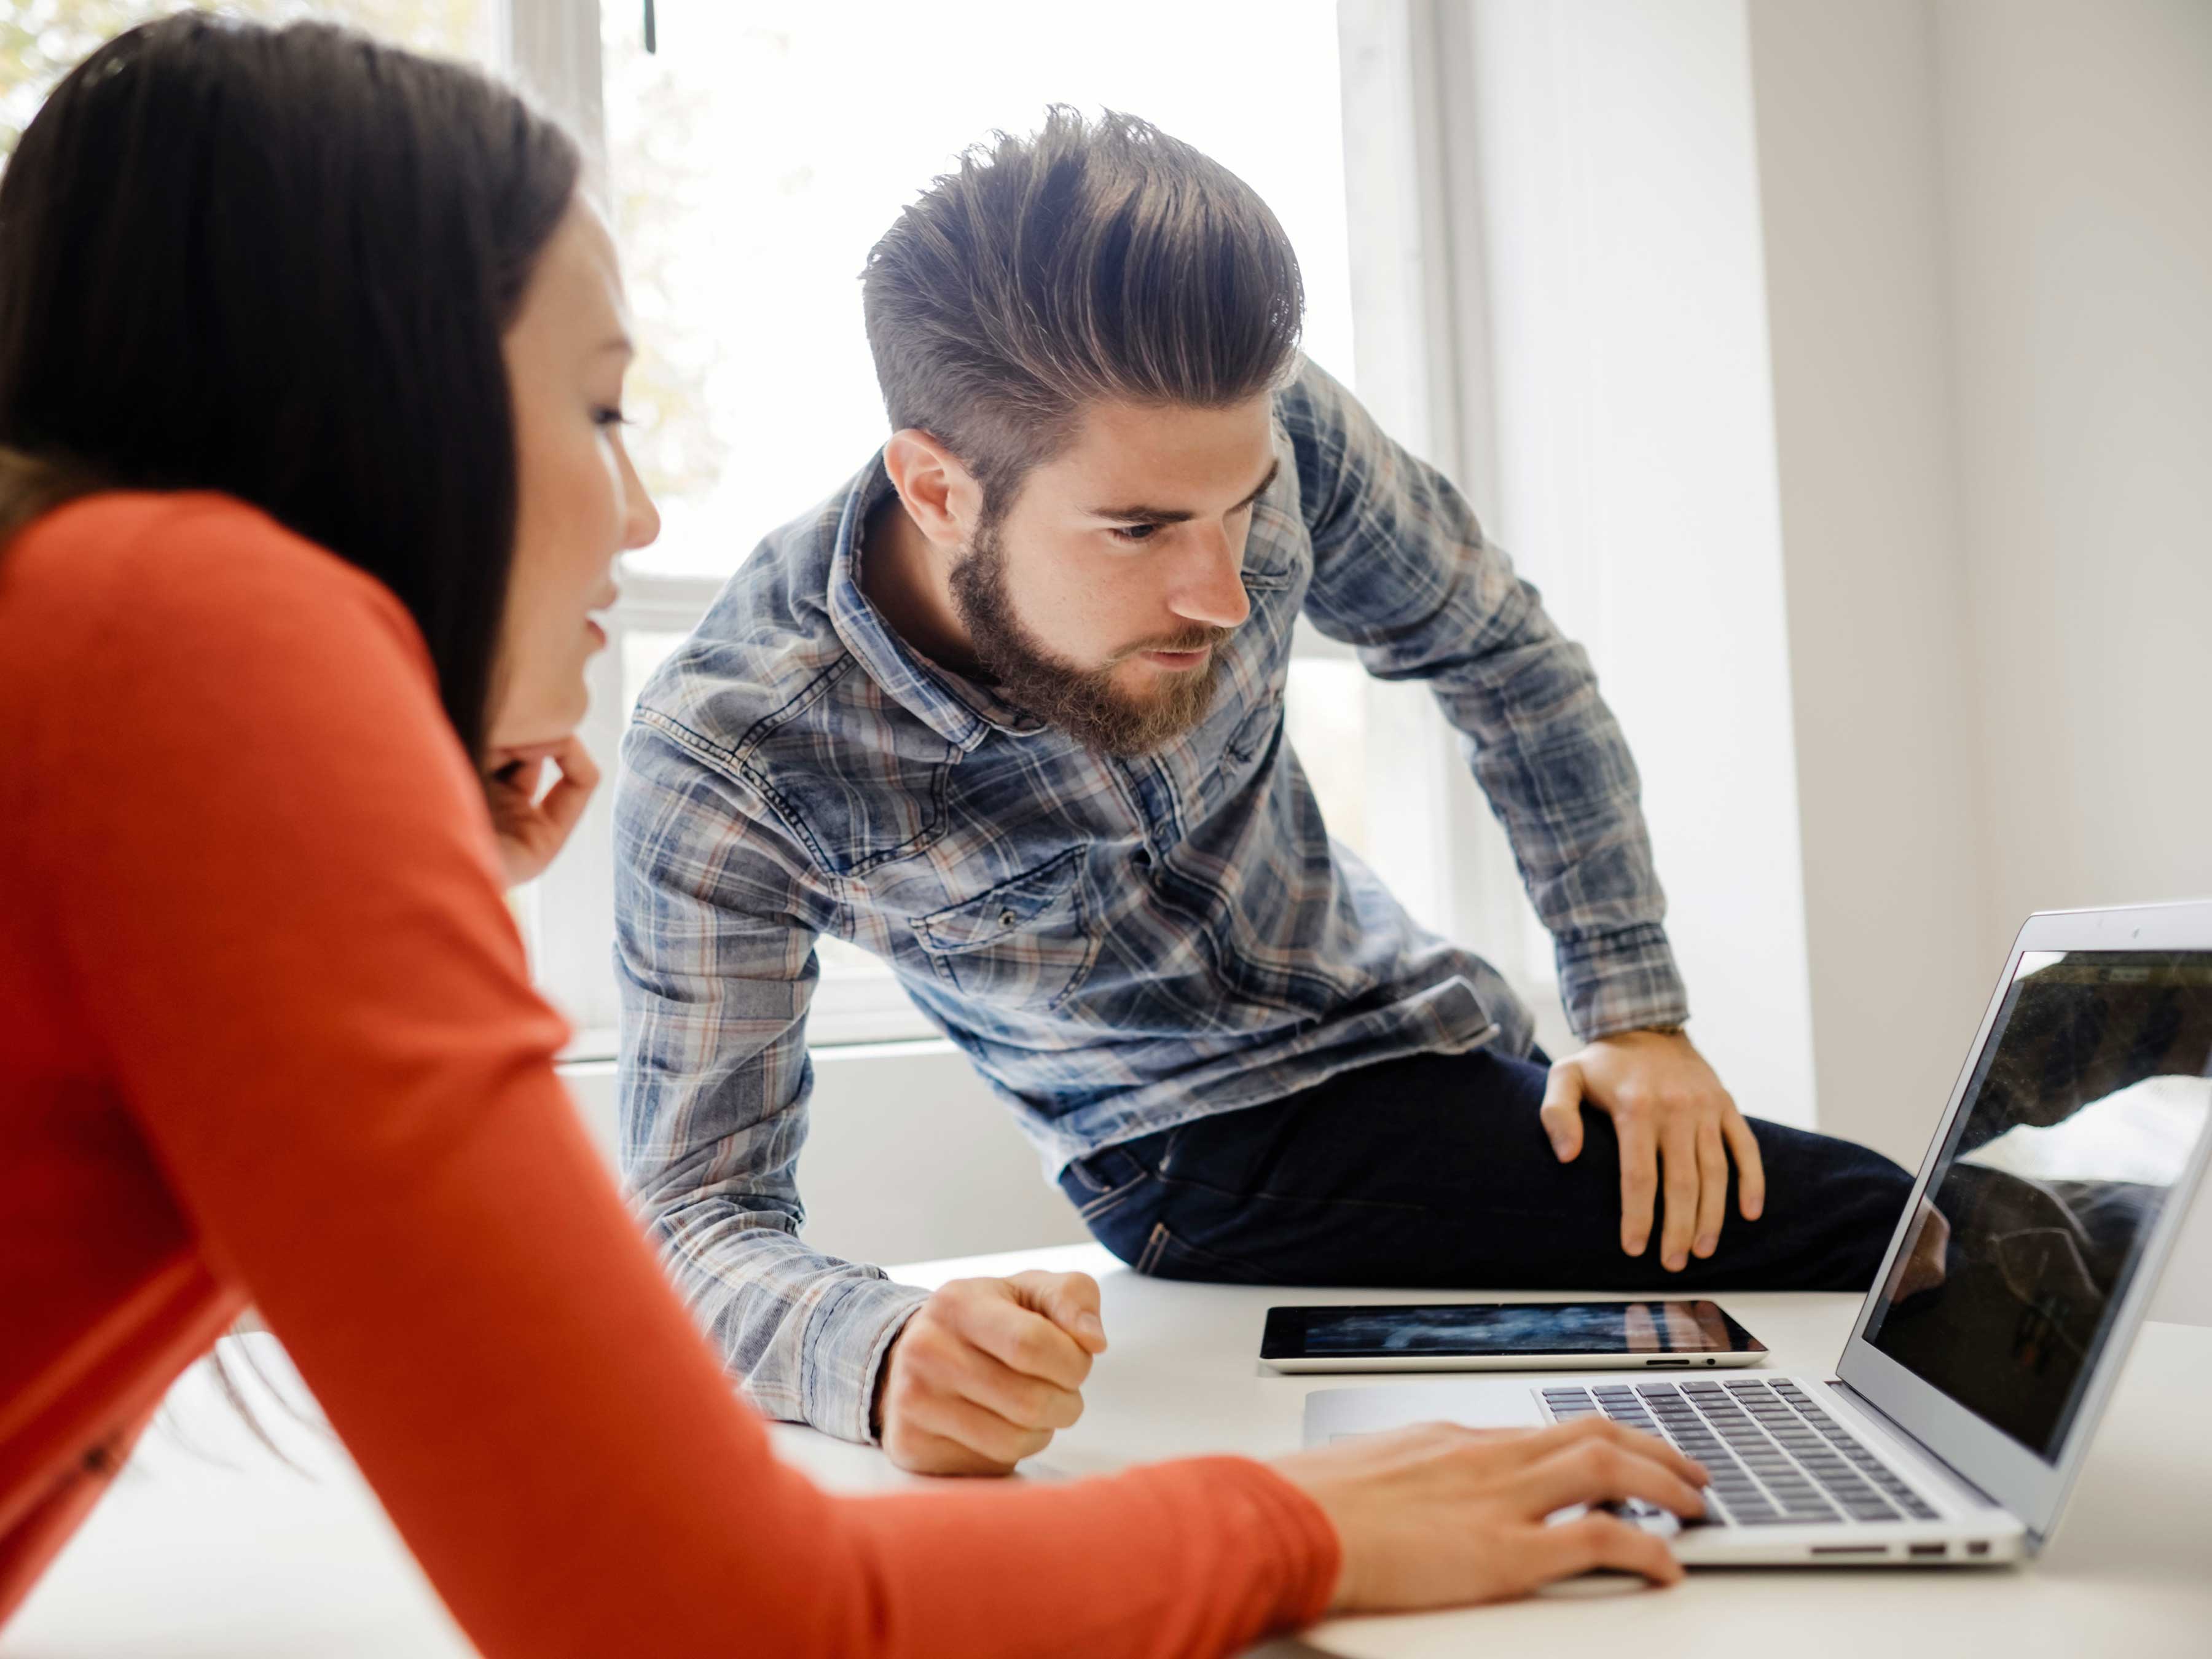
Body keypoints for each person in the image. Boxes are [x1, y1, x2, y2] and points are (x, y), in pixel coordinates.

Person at [0, 17, 1714, 1656]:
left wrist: (350, 849)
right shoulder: (188, 631)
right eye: (601, 411)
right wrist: (1305, 1522)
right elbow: (713, 1609)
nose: (646, 512)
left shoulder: (96, 641)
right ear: (379, 415)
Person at [613, 108, 1918, 1476]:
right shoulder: (734, 758)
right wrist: (874, 1351)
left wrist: (1634, 1006)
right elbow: (694, 1223)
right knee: (1884, 1226)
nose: (1226, 592)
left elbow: (1506, 655)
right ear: (938, 489)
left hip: (1442, 1037)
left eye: (1240, 509)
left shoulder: (1270, 431)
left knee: (1749, 1330)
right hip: (1197, 1154)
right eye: (1141, 531)